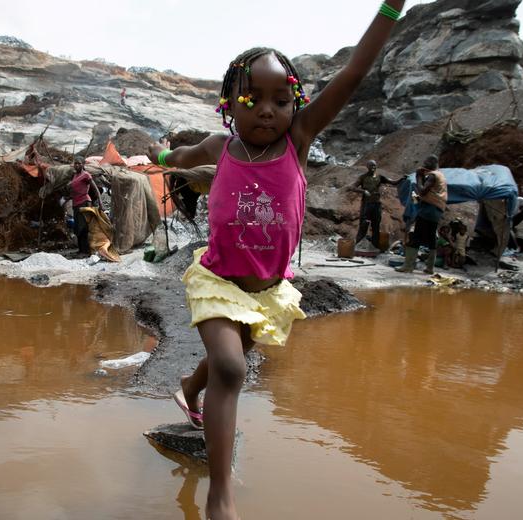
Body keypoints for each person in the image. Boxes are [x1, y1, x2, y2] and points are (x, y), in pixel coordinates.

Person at [146, 3, 405, 518]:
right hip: (219, 280)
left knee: (225, 363)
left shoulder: (298, 142)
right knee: (231, 366)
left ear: (296, 104)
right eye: (252, 97)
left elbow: (353, 73)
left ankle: (188, 390)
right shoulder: (222, 146)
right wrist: (157, 158)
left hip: (267, 288)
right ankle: (220, 497)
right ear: (229, 103)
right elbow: (183, 155)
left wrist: (392, 9)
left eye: (281, 99)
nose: (267, 109)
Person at [396, 154, 447, 274]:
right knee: (431, 239)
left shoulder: (433, 176)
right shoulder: (441, 176)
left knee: (416, 237)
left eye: (426, 164)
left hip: (428, 210)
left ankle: (408, 266)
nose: (424, 166)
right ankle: (430, 268)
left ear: (431, 165)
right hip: (436, 211)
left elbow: (423, 191)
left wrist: (419, 177)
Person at [350, 159, 402, 248]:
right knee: (363, 224)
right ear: (367, 167)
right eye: (371, 166)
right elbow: (353, 187)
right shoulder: (363, 177)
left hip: (376, 204)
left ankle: (374, 246)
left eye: (374, 166)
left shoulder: (380, 177)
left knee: (376, 225)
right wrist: (363, 191)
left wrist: (401, 179)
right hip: (367, 204)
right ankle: (358, 244)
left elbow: (392, 182)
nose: (373, 168)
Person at [69, 156, 103, 256]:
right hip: (76, 203)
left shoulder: (86, 175)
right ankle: (81, 250)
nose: (77, 165)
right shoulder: (74, 176)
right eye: (75, 163)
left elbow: (95, 189)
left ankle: (86, 251)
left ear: (83, 164)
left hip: (84, 202)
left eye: (79, 163)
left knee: (83, 227)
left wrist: (100, 203)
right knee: (77, 227)